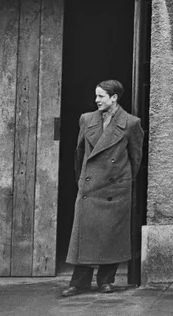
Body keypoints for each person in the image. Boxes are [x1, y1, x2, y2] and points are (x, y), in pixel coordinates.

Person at [61, 79, 144, 297]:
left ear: (114, 98)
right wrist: (82, 181)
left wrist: (121, 181)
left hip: (114, 189)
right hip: (90, 187)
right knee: (84, 236)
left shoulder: (131, 123)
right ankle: (78, 282)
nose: (96, 100)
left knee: (111, 236)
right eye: (96, 96)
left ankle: (106, 280)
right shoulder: (86, 119)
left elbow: (135, 159)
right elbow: (79, 152)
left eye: (101, 96)